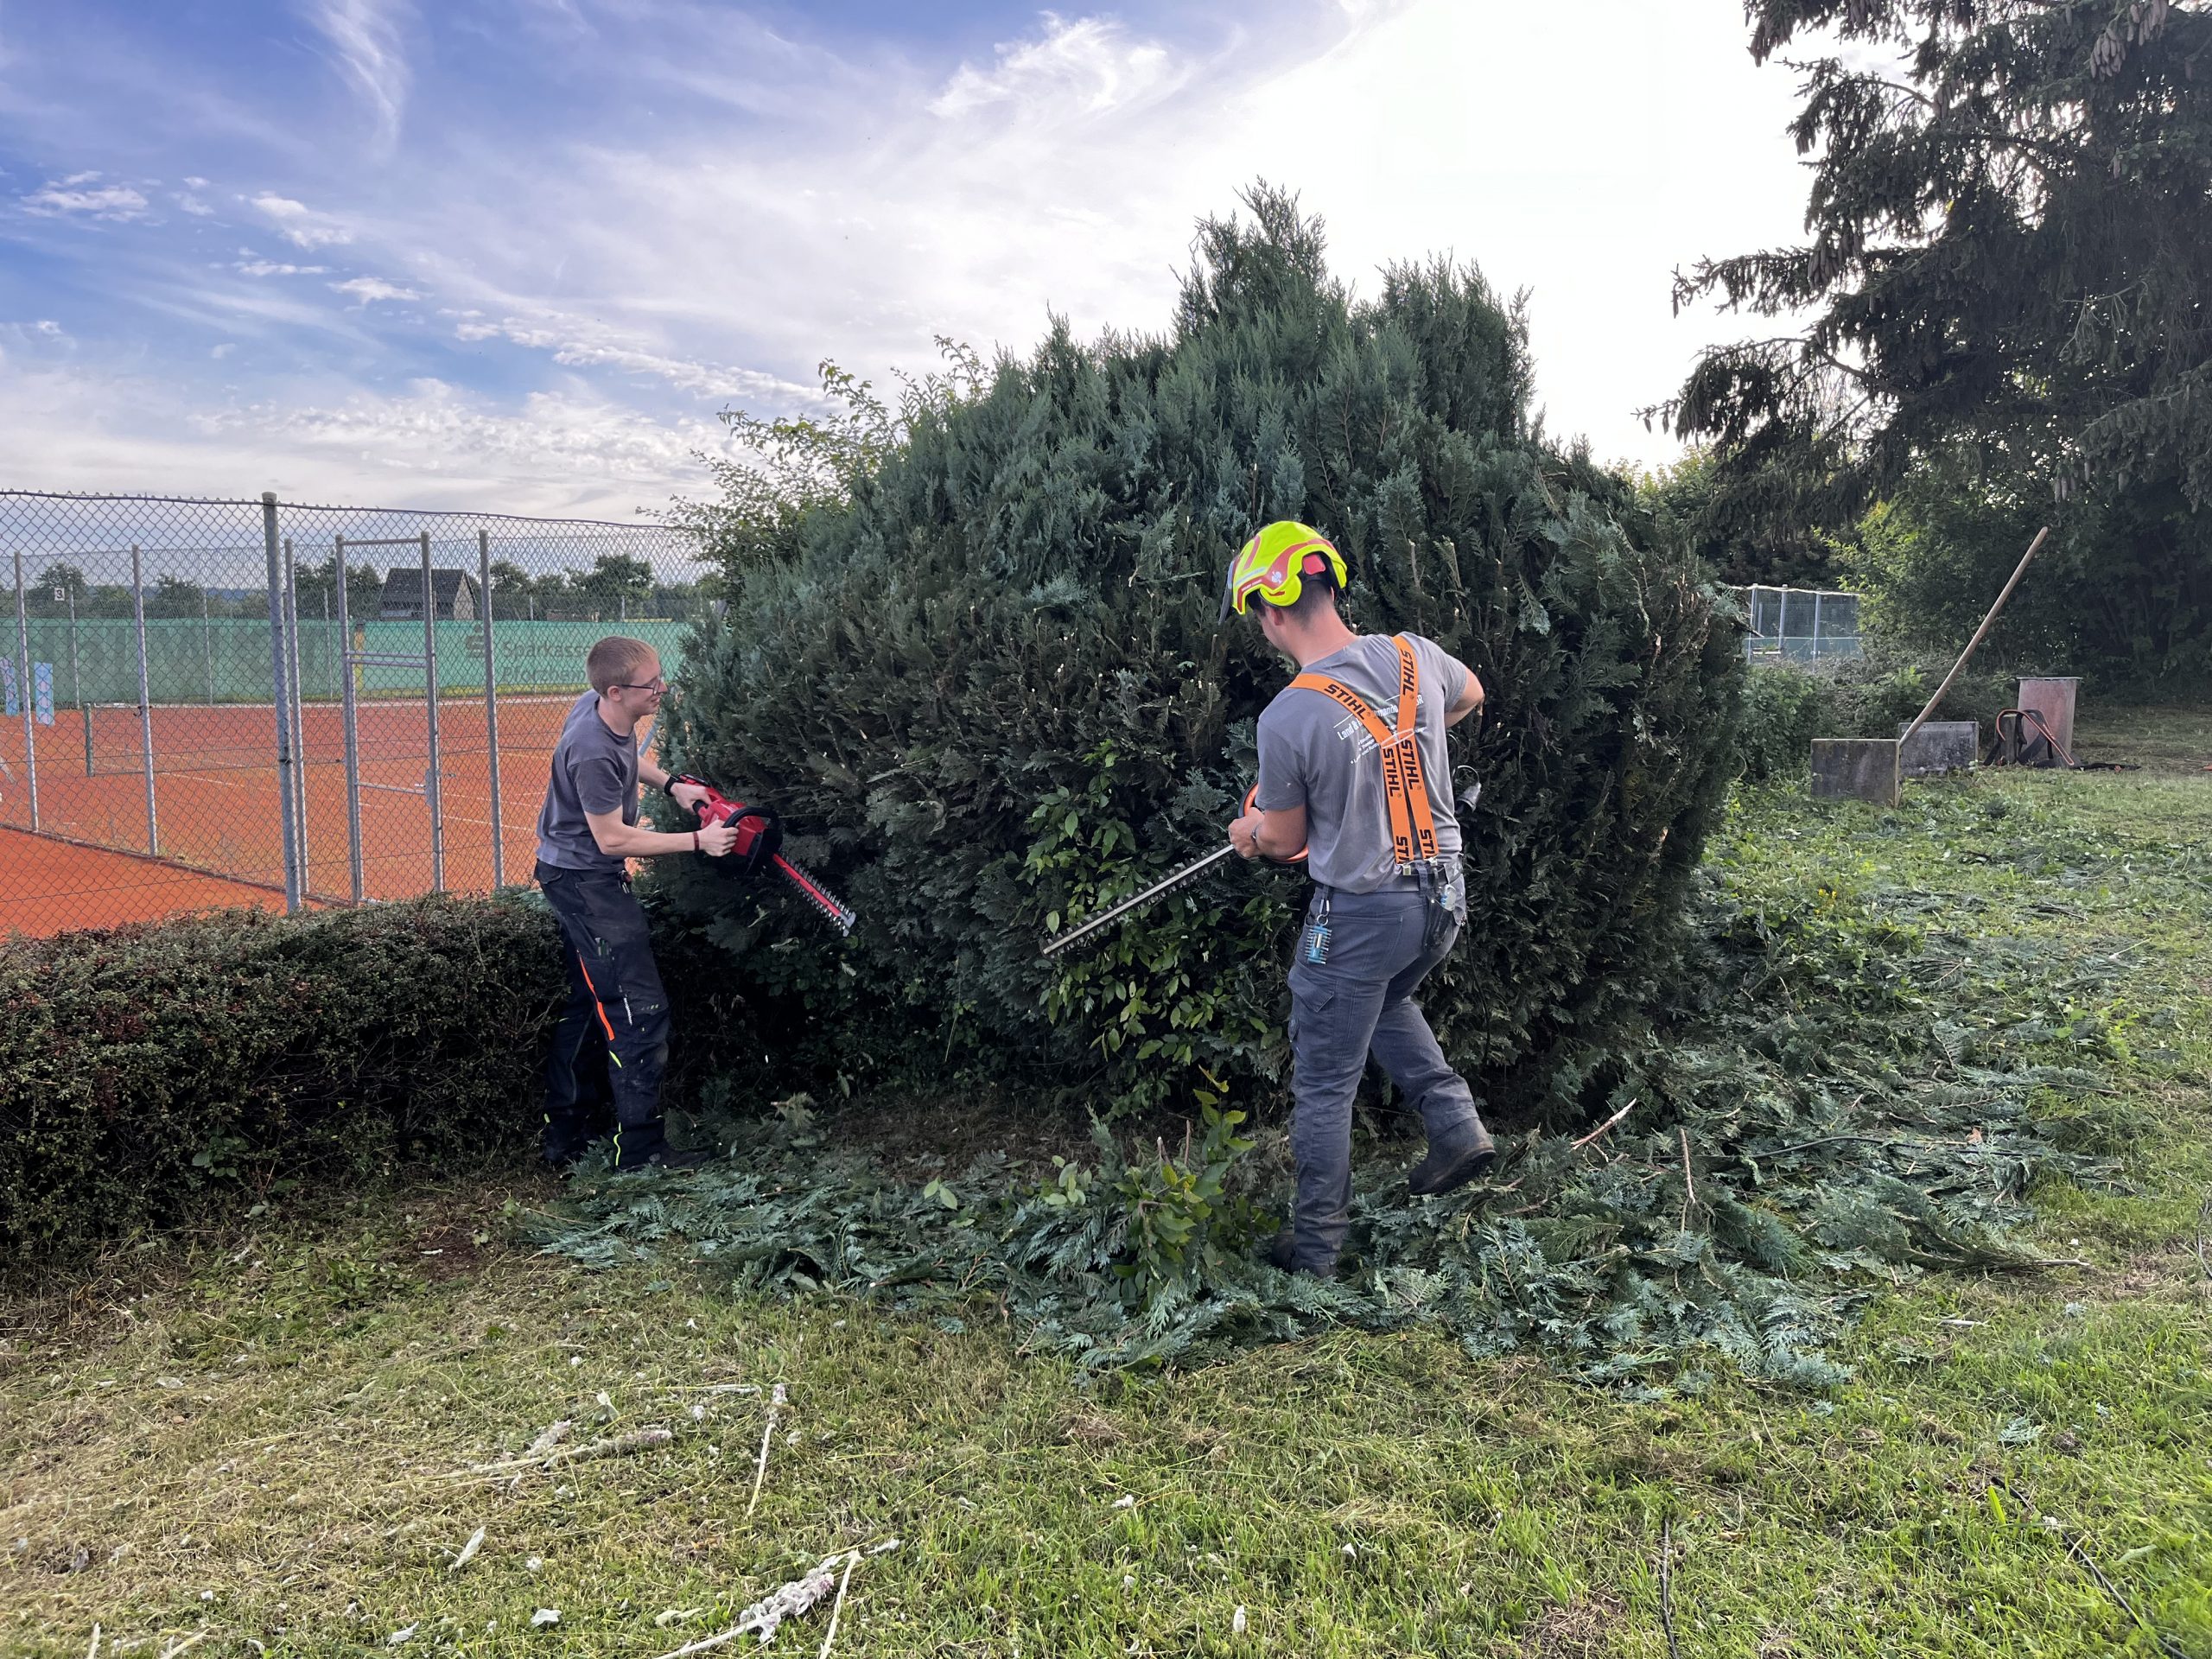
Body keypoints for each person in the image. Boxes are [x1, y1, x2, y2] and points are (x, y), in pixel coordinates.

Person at [1222, 521, 1494, 1277]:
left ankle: (1317, 1253)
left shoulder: (1288, 715)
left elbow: (1281, 839)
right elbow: (1471, 693)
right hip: (1442, 898)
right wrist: (1402, 742)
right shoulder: (1414, 656)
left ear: (1271, 610)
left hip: (1365, 912)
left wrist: (1248, 832)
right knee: (1383, 1005)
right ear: (1328, 586)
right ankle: (1454, 1125)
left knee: (1323, 1081)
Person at [534, 636, 738, 1170]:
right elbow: (614, 841)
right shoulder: (591, 749)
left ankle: (567, 1141)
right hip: (586, 882)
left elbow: (629, 758)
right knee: (639, 1010)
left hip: (572, 874)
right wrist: (700, 842)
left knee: (589, 1003)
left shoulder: (598, 709)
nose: (662, 689)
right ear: (617, 691)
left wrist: (671, 784)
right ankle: (641, 1152)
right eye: (652, 685)